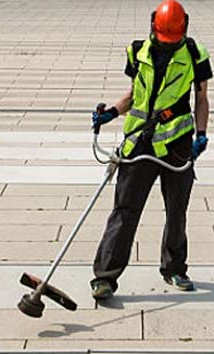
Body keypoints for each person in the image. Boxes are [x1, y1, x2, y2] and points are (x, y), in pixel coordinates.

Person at [90, 0, 212, 300]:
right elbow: (134, 95)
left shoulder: (196, 54)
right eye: (164, 36)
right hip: (139, 142)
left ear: (184, 28)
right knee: (125, 211)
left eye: (174, 37)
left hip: (177, 144)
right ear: (153, 27)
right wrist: (111, 113)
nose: (168, 42)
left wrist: (201, 133)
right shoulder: (137, 51)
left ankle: (174, 269)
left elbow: (201, 97)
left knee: (176, 210)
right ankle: (105, 277)